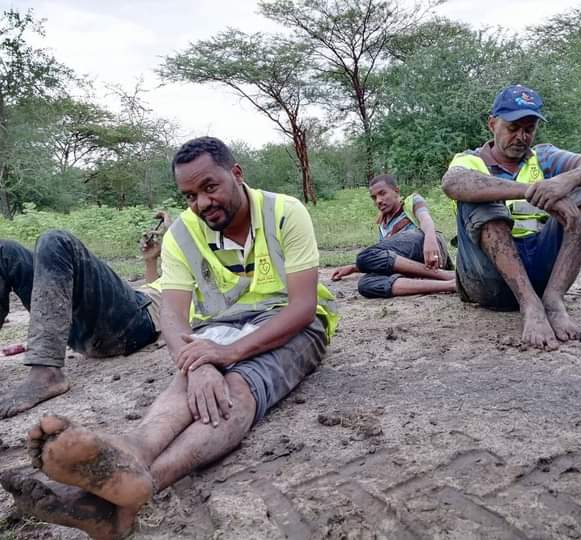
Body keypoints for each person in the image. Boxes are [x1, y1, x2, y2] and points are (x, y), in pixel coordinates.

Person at [0, 136, 338, 540]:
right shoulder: (183, 233)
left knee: (237, 388)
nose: (201, 203)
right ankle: (133, 451)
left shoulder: (284, 212)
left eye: (209, 187)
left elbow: (302, 307)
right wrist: (196, 364)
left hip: (289, 321)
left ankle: (138, 489)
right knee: (191, 385)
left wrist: (227, 353)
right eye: (190, 196)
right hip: (220, 326)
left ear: (236, 174)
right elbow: (173, 317)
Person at [442, 84, 581, 350]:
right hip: (487, 280)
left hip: (541, 271)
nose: (521, 136)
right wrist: (532, 191)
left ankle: (553, 299)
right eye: (513, 127)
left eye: (529, 129)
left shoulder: (544, 157)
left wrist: (567, 180)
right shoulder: (470, 161)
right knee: (479, 199)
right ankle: (530, 305)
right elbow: (453, 183)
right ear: (492, 124)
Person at [0, 212, 171, 419]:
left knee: (56, 240)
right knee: (5, 251)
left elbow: (175, 305)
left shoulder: (197, 277)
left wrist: (175, 235)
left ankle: (46, 371)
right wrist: (151, 260)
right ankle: (46, 366)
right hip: (120, 314)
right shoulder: (174, 278)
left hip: (138, 321)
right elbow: (155, 288)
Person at [331, 174, 455, 297]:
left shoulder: (412, 201)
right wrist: (354, 268)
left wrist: (430, 240)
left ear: (396, 191)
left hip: (431, 251)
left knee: (363, 257)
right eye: (374, 198)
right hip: (413, 265)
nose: (378, 200)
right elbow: (387, 259)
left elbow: (425, 219)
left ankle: (444, 275)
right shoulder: (383, 226)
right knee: (365, 284)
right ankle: (451, 284)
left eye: (382, 193)